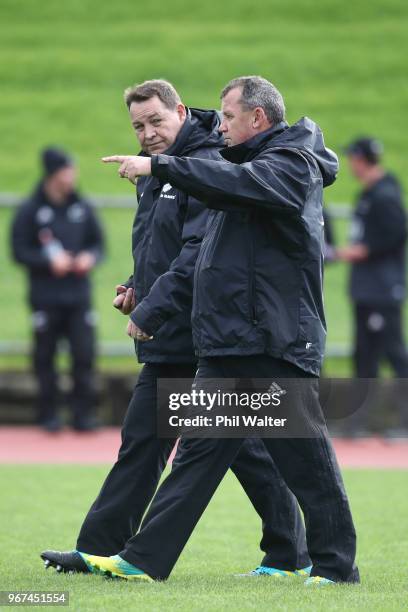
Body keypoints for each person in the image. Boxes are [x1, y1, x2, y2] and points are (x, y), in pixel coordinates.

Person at [78, 76, 359, 585]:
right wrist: (142, 288)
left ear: (258, 118)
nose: (219, 125)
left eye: (227, 117)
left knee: (306, 461)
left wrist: (160, 166)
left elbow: (233, 184)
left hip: (276, 340)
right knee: (197, 457)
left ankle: (336, 567)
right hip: (230, 341)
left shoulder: (292, 165)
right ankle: (144, 559)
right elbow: (199, 246)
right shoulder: (240, 163)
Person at [11, 147, 105, 432]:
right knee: (45, 357)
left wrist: (89, 257)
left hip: (78, 297)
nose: (72, 176)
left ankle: (82, 416)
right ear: (53, 174)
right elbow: (19, 251)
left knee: (83, 355)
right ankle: (49, 415)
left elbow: (98, 244)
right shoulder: (30, 210)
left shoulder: (82, 206)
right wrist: (48, 261)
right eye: (67, 170)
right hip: (45, 298)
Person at [337, 137, 408, 436]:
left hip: (383, 290)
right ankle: (361, 422)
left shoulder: (385, 195)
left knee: (393, 352)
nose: (350, 163)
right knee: (363, 355)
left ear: (361, 159)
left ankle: (403, 423)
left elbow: (392, 236)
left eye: (352, 157)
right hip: (366, 289)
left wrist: (350, 251)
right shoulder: (368, 194)